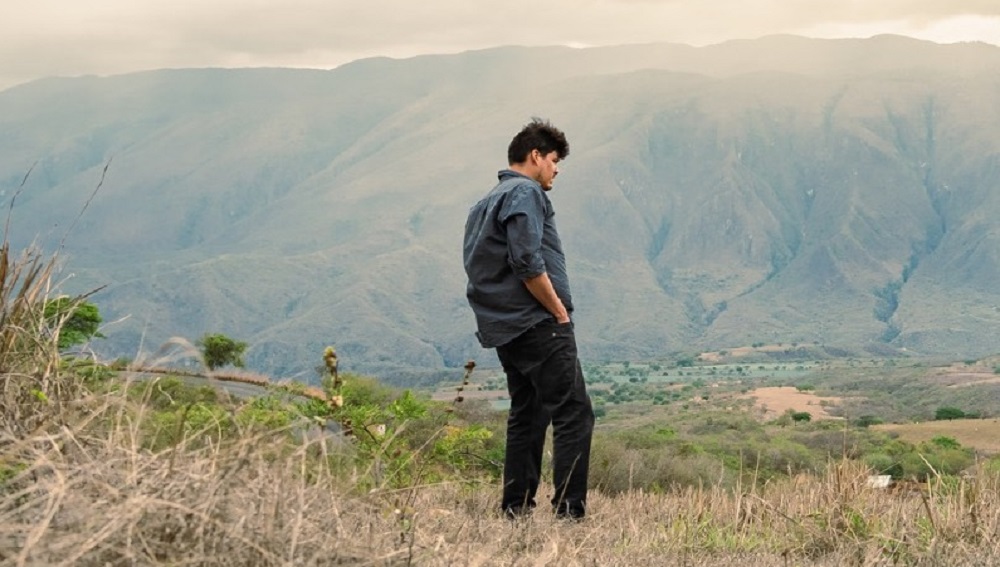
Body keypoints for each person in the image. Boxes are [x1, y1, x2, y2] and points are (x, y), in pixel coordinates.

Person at [463, 118, 594, 520]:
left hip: (505, 327)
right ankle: (569, 514)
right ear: (535, 156)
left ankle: (515, 510)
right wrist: (557, 311)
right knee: (574, 413)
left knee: (528, 414)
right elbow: (526, 261)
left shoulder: (484, 203)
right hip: (537, 323)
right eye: (554, 160)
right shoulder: (525, 191)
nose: (556, 169)